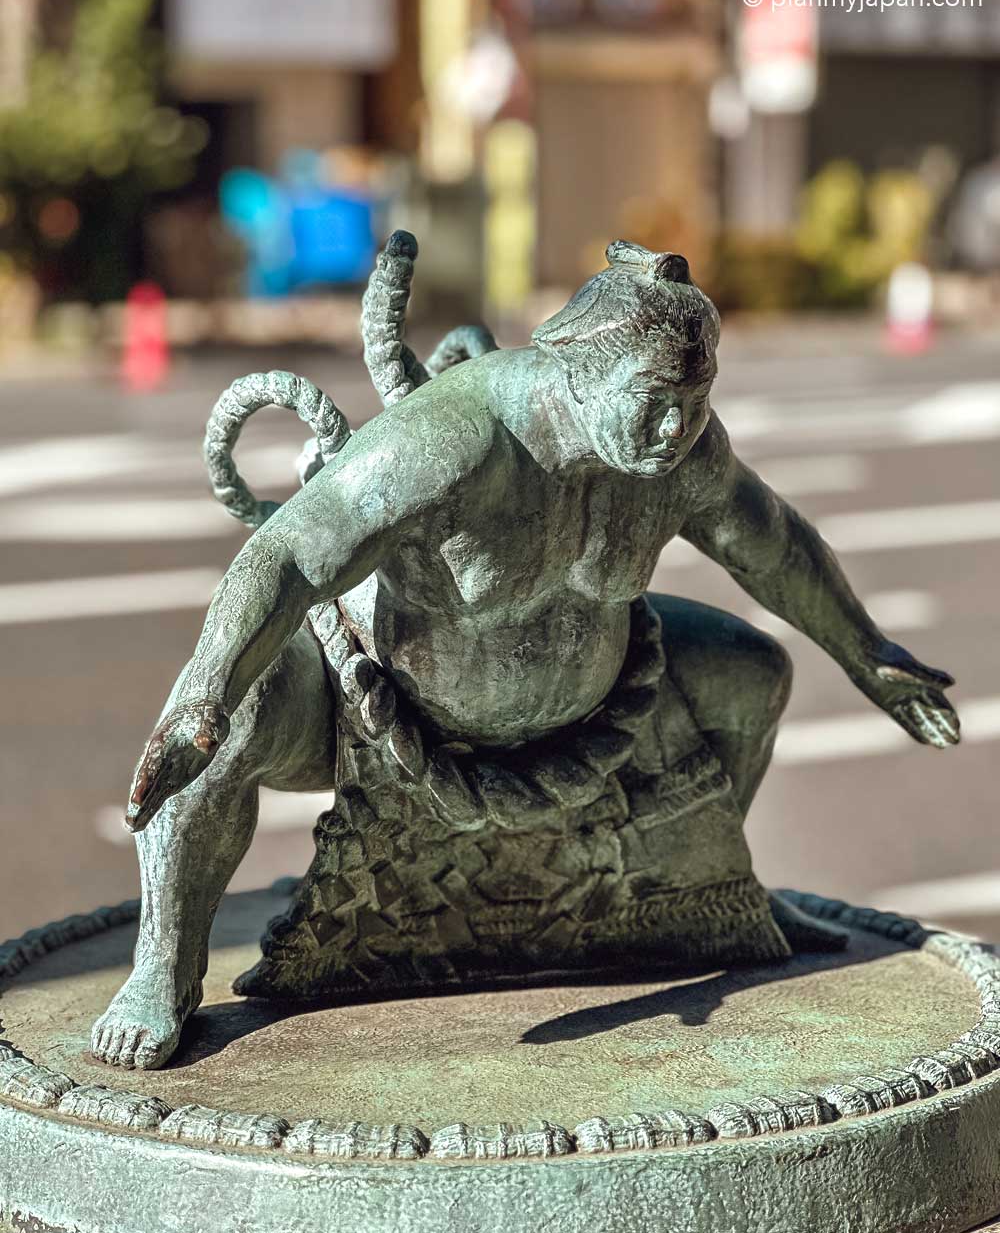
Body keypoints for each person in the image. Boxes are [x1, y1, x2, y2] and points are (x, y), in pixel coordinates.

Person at [91, 237, 959, 1070]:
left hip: (600, 706)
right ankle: (166, 966)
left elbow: (769, 544)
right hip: (377, 703)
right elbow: (289, 555)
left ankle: (715, 882)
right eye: (653, 400)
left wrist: (868, 653)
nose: (675, 427)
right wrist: (206, 690)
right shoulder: (458, 437)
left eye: (695, 401)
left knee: (752, 674)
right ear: (576, 372)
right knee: (227, 717)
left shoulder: (683, 451)